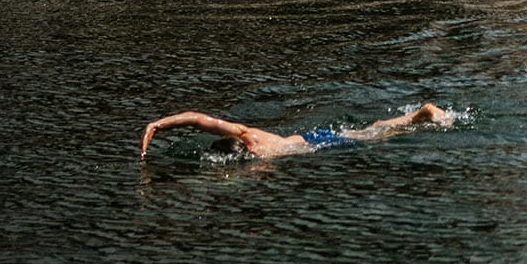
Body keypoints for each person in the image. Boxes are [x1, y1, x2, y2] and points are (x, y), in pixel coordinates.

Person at [140, 103, 452, 160]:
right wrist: (158, 124)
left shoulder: (258, 152)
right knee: (372, 131)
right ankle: (417, 115)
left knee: (377, 136)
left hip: (322, 145)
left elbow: (199, 120)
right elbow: (199, 119)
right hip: (311, 138)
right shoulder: (251, 134)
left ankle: (422, 114)